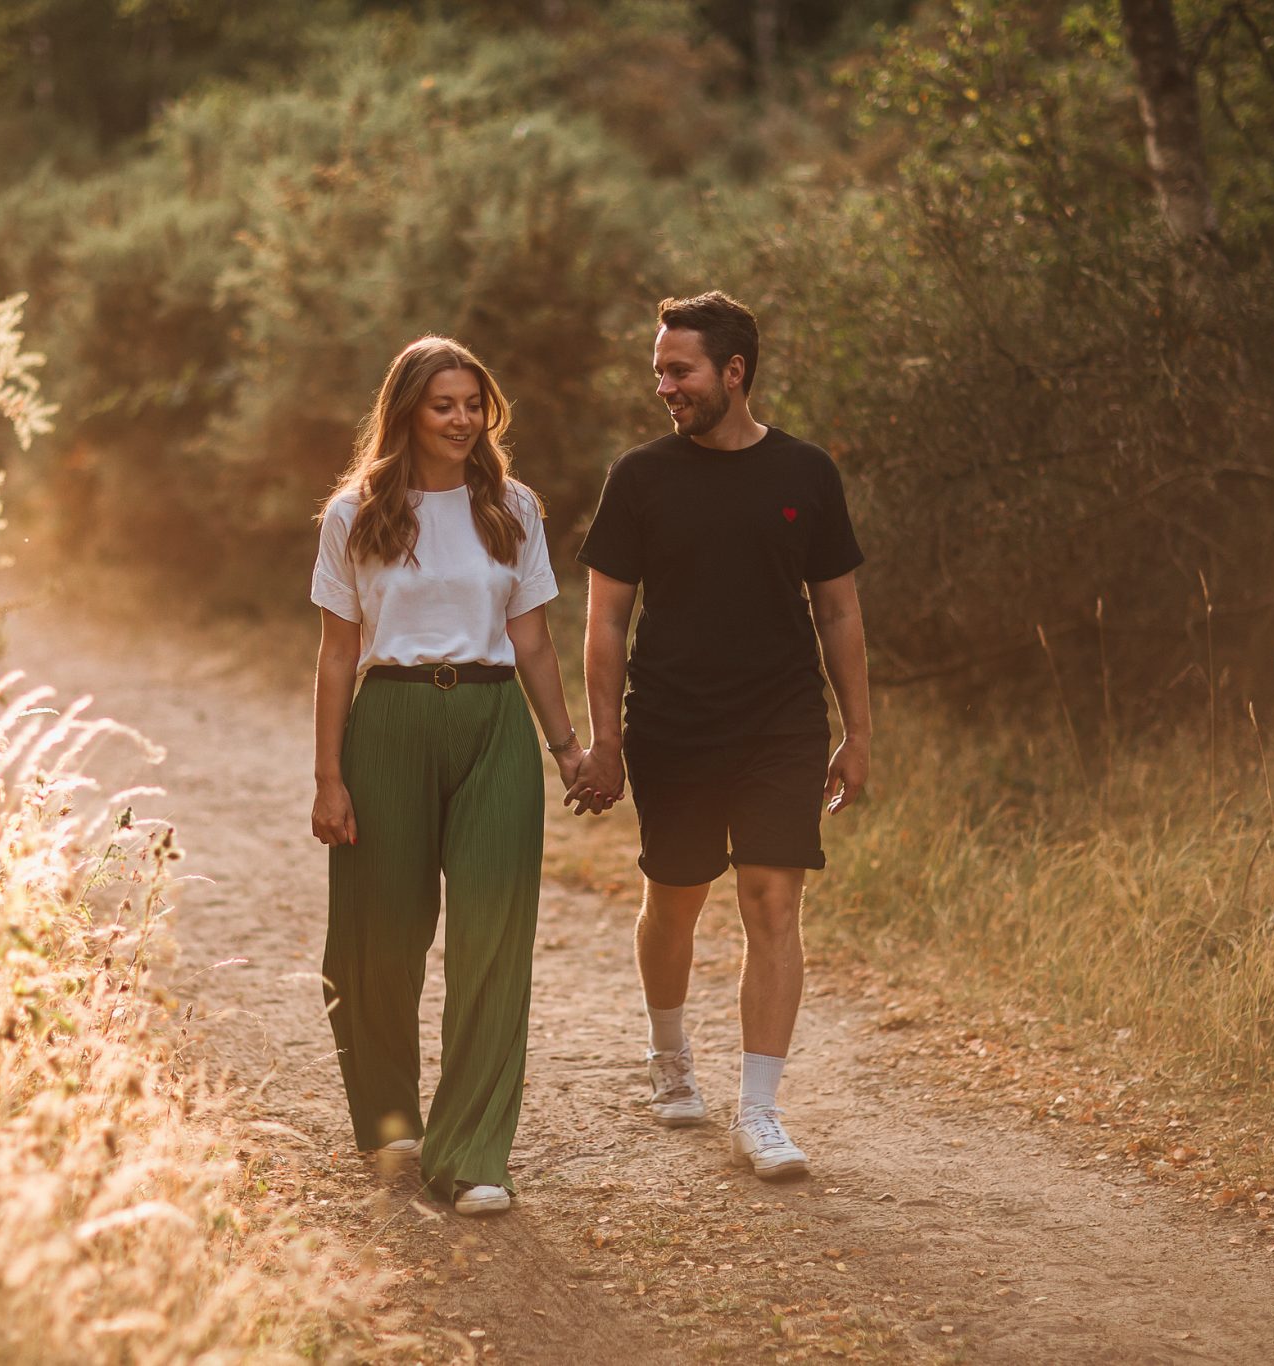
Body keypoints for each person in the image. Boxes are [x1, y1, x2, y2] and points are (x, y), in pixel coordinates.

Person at [567, 291, 871, 1181]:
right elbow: (605, 621)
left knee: (774, 899)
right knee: (677, 898)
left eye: (680, 370)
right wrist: (607, 740)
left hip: (781, 720)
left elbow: (840, 611)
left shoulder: (807, 473)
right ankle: (670, 1057)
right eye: (660, 370)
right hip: (673, 722)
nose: (665, 385)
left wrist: (858, 731)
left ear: (733, 373)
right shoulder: (641, 476)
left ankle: (760, 1112)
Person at [309, 336, 585, 1216]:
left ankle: (472, 1154)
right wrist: (328, 778)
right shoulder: (354, 513)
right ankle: (393, 1119)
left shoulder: (513, 507)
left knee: (493, 940)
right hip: (387, 721)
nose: (463, 419)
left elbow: (536, 641)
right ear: (407, 414)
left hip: (494, 720)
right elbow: (334, 654)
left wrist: (567, 747)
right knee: (378, 936)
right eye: (444, 405)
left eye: (473, 403)